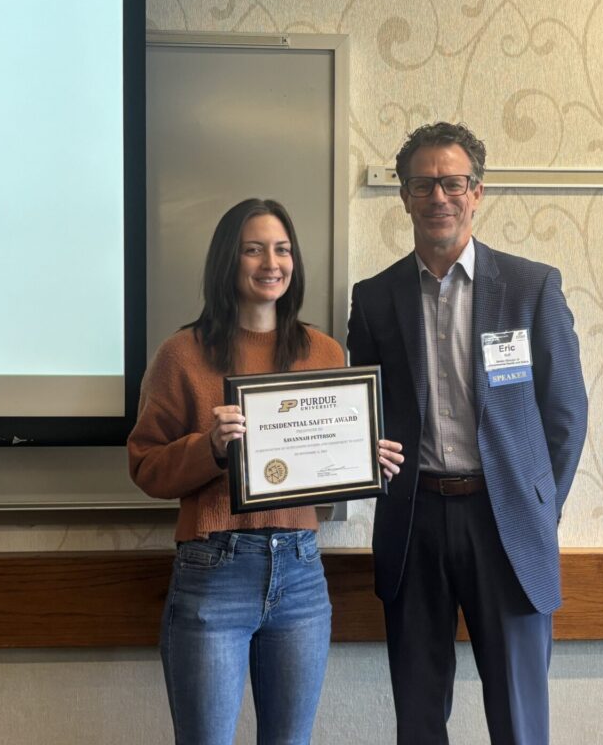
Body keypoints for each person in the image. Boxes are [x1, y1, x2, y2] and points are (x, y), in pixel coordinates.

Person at [129, 197, 402, 745]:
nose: (270, 262)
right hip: (214, 572)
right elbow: (146, 467)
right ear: (228, 260)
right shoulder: (180, 355)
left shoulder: (323, 351)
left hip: (300, 572)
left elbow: (323, 463)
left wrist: (360, 457)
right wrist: (209, 446)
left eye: (282, 249)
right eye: (253, 249)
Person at [347, 123, 588, 745]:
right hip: (414, 519)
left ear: (477, 192)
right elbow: (360, 415)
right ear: (403, 196)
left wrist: (535, 509)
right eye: (423, 184)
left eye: (452, 183)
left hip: (505, 527)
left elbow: (565, 416)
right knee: (420, 717)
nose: (438, 197)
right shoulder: (374, 300)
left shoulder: (531, 287)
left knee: (519, 718)